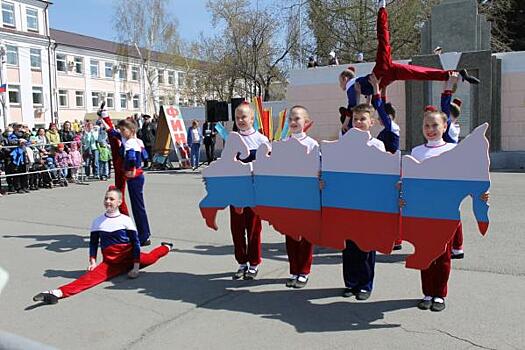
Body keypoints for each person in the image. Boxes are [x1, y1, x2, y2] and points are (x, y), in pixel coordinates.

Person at [339, 1, 479, 132]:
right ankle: (456, 74)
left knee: (385, 41)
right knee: (419, 72)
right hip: (385, 78)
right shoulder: (359, 87)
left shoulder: (351, 86)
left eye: (341, 82)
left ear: (346, 78)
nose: (341, 85)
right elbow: (371, 105)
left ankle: (382, 9)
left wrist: (346, 123)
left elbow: (354, 107)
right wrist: (379, 90)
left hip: (380, 73)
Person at [405, 108, 489, 312]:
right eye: (426, 125)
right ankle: (427, 292)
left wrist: (481, 195)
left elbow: (468, 177)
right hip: (421, 213)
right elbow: (410, 181)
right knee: (424, 253)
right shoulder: (416, 152)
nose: (430, 129)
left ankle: (440, 294)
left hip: (446, 212)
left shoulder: (453, 149)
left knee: (442, 255)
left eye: (435, 125)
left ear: (444, 127)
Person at [32, 187, 173, 305]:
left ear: (119, 202)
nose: (108, 201)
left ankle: (166, 247)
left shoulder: (125, 220)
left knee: (151, 258)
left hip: (130, 258)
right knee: (88, 280)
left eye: (111, 199)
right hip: (111, 263)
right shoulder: (97, 221)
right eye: (106, 198)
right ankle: (55, 293)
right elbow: (93, 243)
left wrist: (136, 267)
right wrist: (92, 261)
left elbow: (136, 244)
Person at [342, 103, 385, 301]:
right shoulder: (344, 145)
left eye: (363, 119)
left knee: (366, 246)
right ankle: (351, 283)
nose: (358, 123)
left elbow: (382, 175)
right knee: (349, 246)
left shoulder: (377, 145)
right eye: (355, 119)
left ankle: (365, 284)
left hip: (369, 205)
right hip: (348, 204)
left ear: (371, 122)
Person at [230, 102, 270, 280]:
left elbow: (269, 166)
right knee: (237, 228)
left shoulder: (261, 140)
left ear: (252, 119)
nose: (240, 120)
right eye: (237, 117)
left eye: (244, 117)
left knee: (253, 228)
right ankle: (241, 262)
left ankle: (254, 263)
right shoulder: (231, 139)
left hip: (254, 191)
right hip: (236, 191)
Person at [101, 111, 152, 246]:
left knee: (137, 207)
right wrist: (104, 118)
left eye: (124, 130)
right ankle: (144, 234)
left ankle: (144, 235)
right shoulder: (134, 140)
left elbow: (131, 158)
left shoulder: (130, 143)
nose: (121, 132)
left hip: (134, 177)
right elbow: (113, 133)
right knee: (138, 206)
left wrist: (132, 169)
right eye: (121, 130)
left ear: (132, 130)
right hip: (136, 175)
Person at [283, 106, 319, 289]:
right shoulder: (283, 143)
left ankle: (304, 271)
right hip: (289, 199)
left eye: (297, 118)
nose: (293, 122)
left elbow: (316, 171)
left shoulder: (312, 145)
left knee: (305, 236)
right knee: (290, 236)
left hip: (306, 198)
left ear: (306, 122)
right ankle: (294, 270)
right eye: (291, 118)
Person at [369, 73, 403, 250]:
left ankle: (396, 238)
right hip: (385, 169)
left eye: (381, 116)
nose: (379, 118)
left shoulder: (391, 127)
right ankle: (391, 236)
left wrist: (376, 87)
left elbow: (378, 106)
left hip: (391, 169)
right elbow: (381, 106)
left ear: (388, 117)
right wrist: (383, 89)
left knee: (391, 205)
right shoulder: (389, 127)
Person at [440, 73, 464, 259]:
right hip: (451, 171)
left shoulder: (449, 126)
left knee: (449, 212)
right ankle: (456, 246)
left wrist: (449, 85)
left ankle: (455, 246)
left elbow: (444, 106)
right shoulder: (454, 126)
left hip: (448, 173)